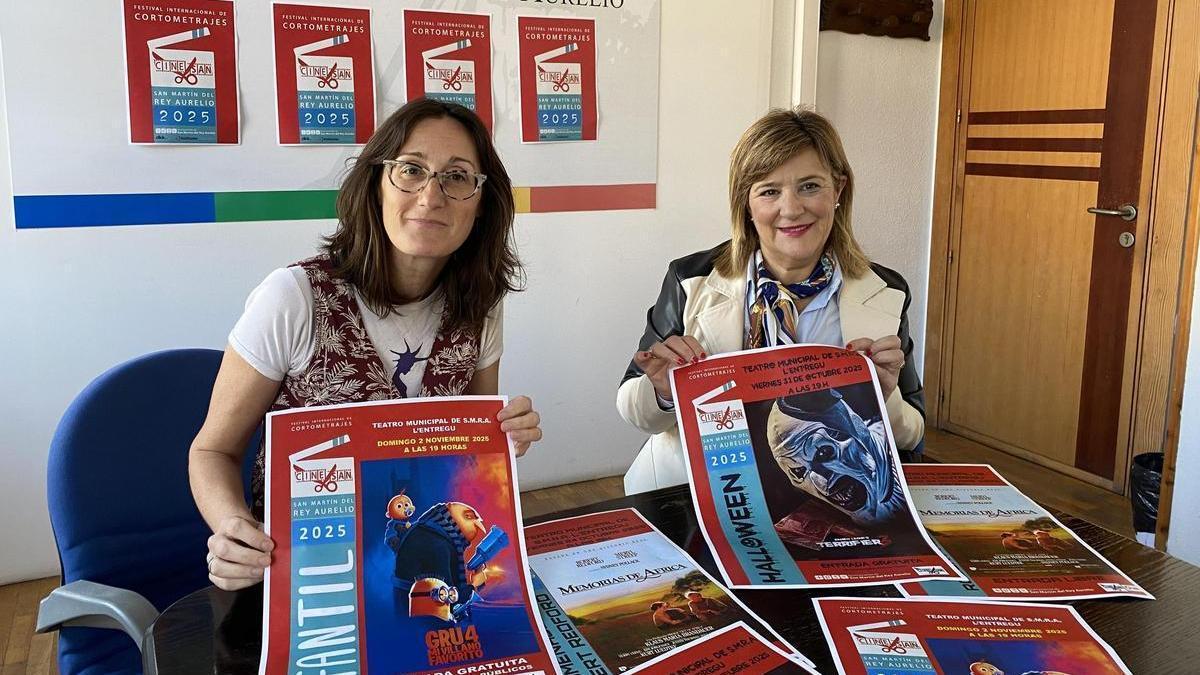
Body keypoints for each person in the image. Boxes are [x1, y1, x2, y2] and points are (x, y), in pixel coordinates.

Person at [189, 99, 543, 591]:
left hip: (422, 557)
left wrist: (504, 435)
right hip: (306, 570)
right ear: (376, 183)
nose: (430, 195)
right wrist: (232, 529)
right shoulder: (294, 297)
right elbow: (211, 451)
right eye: (411, 170)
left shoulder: (480, 303)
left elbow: (466, 448)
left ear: (482, 202)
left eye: (458, 177)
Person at [617, 107, 924, 494]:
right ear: (746, 202)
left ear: (839, 190)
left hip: (823, 497)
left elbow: (912, 434)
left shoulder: (886, 291)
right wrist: (662, 391)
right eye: (769, 191)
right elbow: (632, 406)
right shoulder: (690, 279)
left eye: (810, 186)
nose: (792, 209)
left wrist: (882, 398)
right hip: (699, 492)